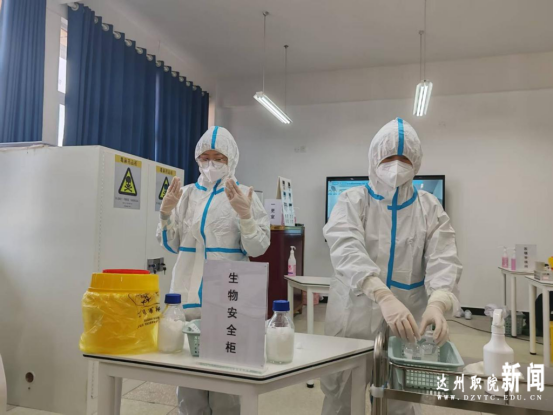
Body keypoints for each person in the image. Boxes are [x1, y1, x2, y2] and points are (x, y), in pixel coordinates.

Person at [321, 118, 462, 415]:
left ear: (416, 163)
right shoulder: (352, 200)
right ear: (374, 159)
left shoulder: (429, 207)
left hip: (408, 318)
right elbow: (346, 248)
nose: (396, 166)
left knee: (399, 396)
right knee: (342, 395)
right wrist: (382, 295)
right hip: (354, 313)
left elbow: (444, 257)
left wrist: (438, 302)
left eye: (404, 159)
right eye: (388, 158)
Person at [157, 126, 270, 415]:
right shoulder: (186, 194)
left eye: (218, 158)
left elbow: (258, 247)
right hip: (188, 292)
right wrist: (165, 214)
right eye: (205, 157)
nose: (211, 164)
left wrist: (245, 216)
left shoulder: (245, 194)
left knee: (227, 381)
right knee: (189, 377)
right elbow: (172, 244)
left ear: (231, 159)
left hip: (229, 294)